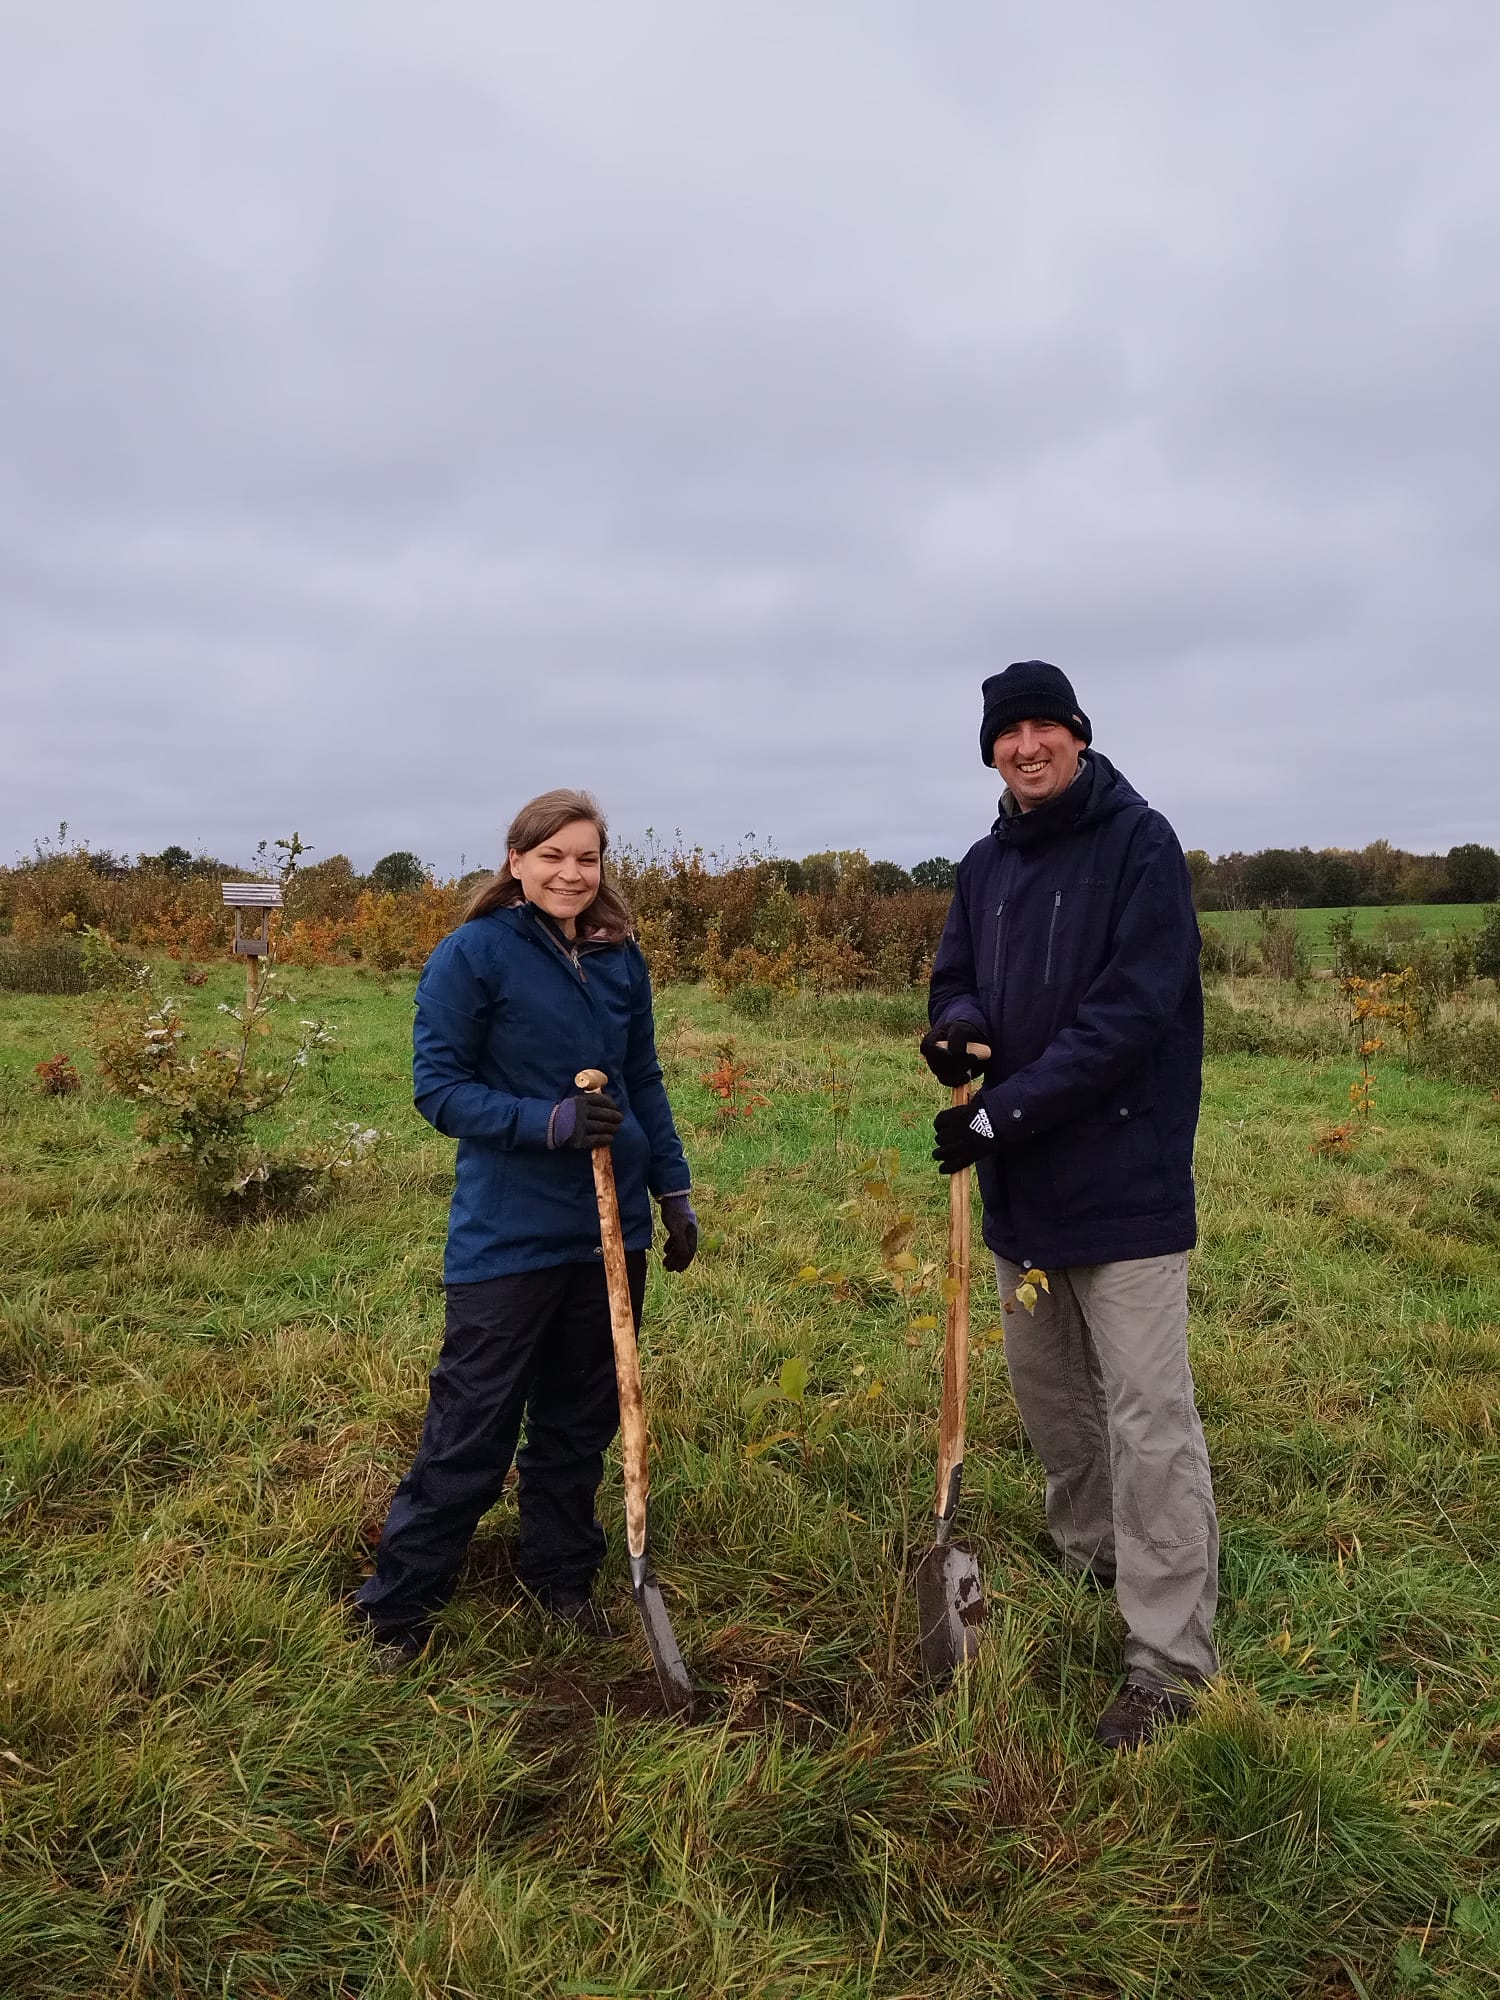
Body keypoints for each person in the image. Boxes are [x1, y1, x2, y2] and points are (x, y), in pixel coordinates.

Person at [922, 660, 1218, 1749]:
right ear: (991, 752)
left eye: (1045, 726)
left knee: (1148, 1417)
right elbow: (956, 976)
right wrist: (956, 1029)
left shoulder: (1141, 845)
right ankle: (1099, 1558)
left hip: (1124, 1180)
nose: (1027, 745)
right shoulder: (984, 864)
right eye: (1009, 734)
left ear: (1079, 737)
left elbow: (1131, 1013)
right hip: (1023, 1192)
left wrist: (1002, 1114)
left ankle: (1170, 1657)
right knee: (1054, 1403)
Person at [354, 788, 696, 1667]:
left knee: (580, 1423)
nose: (570, 874)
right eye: (552, 856)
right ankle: (398, 1606)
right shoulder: (474, 954)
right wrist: (547, 1122)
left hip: (610, 1232)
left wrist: (672, 1191)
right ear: (516, 860)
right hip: (509, 1235)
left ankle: (560, 1577)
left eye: (586, 858)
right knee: (472, 1424)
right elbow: (439, 1090)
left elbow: (643, 1079)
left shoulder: (620, 956)